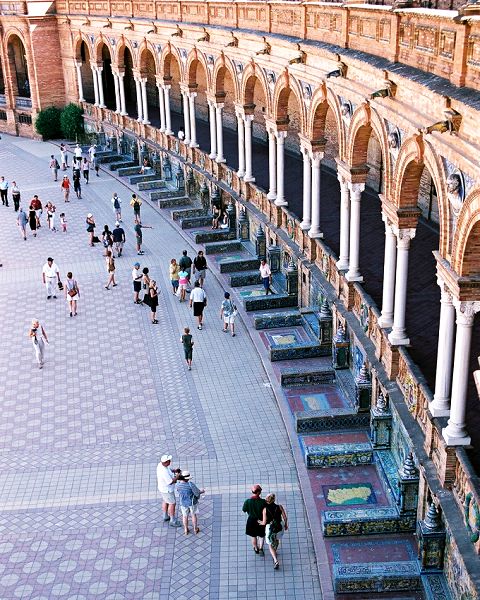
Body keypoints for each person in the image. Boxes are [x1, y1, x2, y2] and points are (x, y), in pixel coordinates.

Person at [258, 493, 288, 570]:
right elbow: (285, 517)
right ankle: (275, 550)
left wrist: (259, 522)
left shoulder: (265, 509)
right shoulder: (279, 507)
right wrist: (285, 525)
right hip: (279, 526)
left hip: (270, 528)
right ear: (274, 500)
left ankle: (275, 560)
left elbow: (264, 522)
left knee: (270, 544)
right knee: (277, 540)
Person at [175, 471, 205, 535]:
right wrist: (202, 491)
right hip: (192, 503)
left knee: (185, 516)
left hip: (183, 503)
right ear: (187, 478)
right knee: (193, 515)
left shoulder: (178, 485)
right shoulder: (190, 484)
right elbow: (197, 493)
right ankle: (195, 528)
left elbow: (178, 491)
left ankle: (186, 529)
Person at [156, 454, 182, 527]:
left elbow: (168, 470)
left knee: (165, 501)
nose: (170, 461)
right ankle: (172, 520)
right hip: (167, 490)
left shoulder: (160, 465)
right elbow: (170, 482)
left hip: (162, 489)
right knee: (172, 503)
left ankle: (165, 516)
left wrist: (174, 470)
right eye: (168, 461)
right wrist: (178, 476)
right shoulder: (163, 472)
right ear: (165, 462)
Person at [242, 484, 266, 556]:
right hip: (260, 521)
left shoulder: (248, 501)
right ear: (258, 492)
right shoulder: (263, 501)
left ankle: (256, 548)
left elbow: (244, 510)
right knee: (261, 536)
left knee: (253, 536)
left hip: (251, 520)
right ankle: (261, 548)